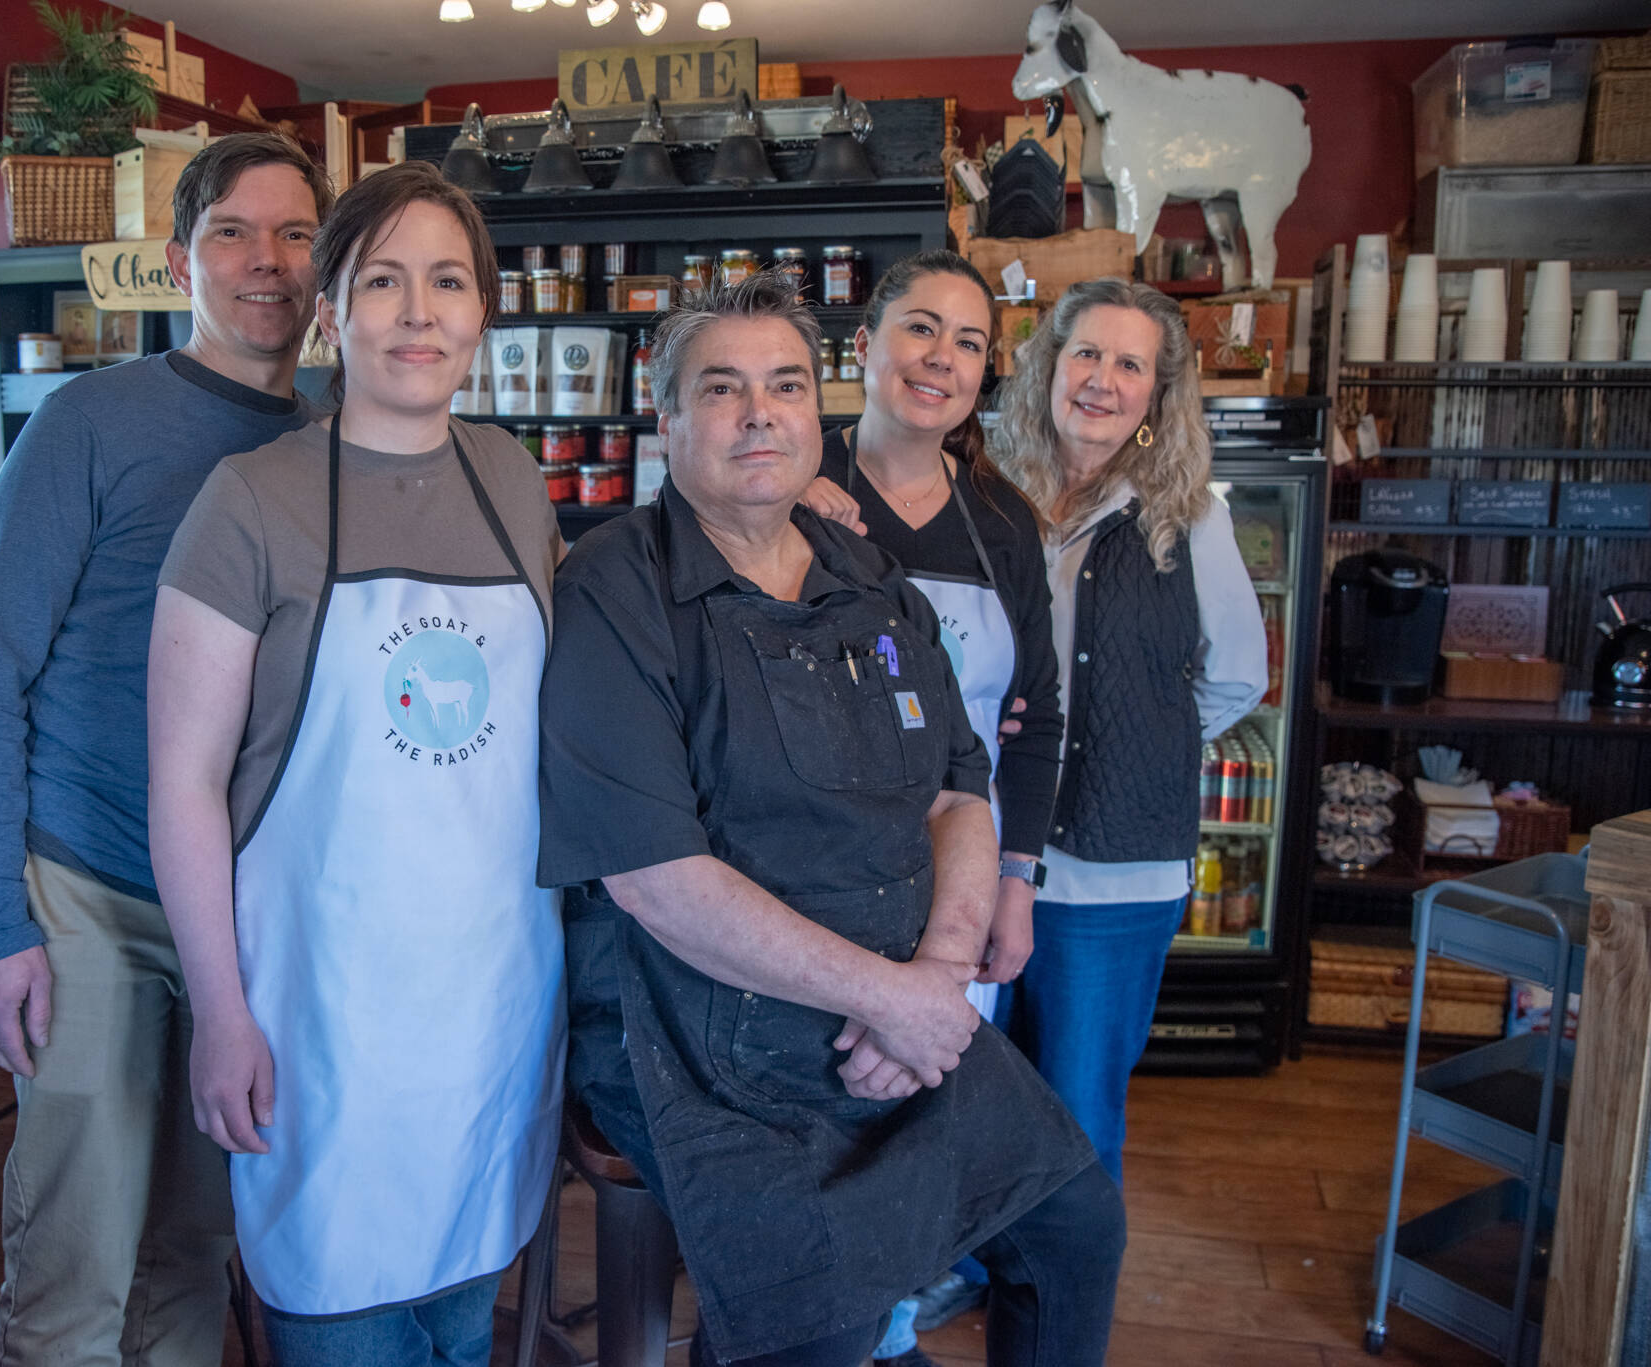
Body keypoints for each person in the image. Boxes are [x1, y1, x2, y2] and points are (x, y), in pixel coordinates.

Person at [538, 272, 1123, 1367]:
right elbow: (656, 877)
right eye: (721, 388)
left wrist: (938, 974)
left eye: (785, 385)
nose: (758, 413)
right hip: (701, 1033)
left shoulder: (866, 572)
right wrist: (889, 998)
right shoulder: (615, 587)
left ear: (820, 410)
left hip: (897, 996)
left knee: (1075, 1228)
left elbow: (958, 785)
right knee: (821, 1317)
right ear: (666, 422)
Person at [147, 161, 565, 1367]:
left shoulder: (513, 478)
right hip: (319, 1017)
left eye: (446, 280)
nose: (417, 312)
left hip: (490, 1007)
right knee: (343, 1319)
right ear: (332, 310)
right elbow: (183, 782)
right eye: (382, 280)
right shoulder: (247, 502)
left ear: (485, 310)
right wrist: (220, 1014)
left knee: (461, 1319)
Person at [0, 131, 333, 1366]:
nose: (266, 263)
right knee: (72, 1275)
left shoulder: (339, 434)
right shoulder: (89, 420)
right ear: (178, 263)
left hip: (244, 912)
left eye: (297, 235)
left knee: (191, 1257)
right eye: (233, 233)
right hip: (90, 896)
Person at [800, 251, 1062, 1366]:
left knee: (923, 1121)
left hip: (960, 876)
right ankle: (818, 1320)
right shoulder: (791, 485)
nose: (939, 358)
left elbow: (1038, 713)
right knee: (823, 1118)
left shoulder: (1001, 519)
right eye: (919, 328)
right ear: (862, 345)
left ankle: (890, 1320)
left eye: (966, 342)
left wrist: (1016, 879)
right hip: (815, 873)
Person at [989, 277, 1266, 1186]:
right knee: (974, 1086)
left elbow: (1238, 675)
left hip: (1113, 875)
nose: (1102, 379)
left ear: (1156, 394)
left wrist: (1137, 736)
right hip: (981, 850)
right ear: (1049, 368)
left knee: (1075, 1106)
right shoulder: (989, 493)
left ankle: (1057, 1297)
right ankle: (975, 1266)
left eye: (1129, 363)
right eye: (1087, 354)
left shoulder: (1191, 518)